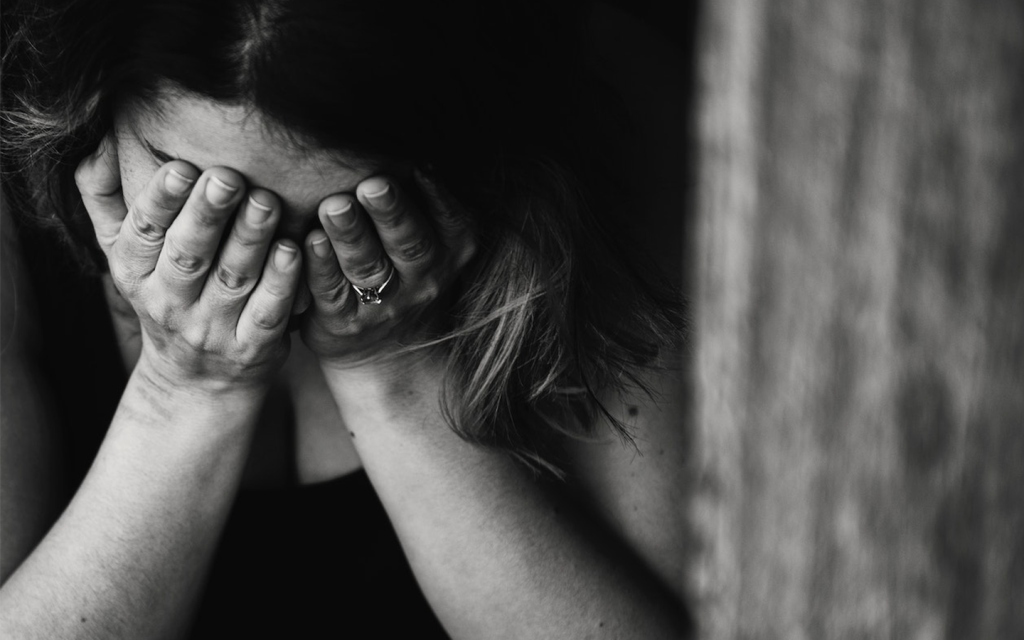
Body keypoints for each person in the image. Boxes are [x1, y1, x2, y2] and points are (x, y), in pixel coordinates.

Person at [0, 0, 691, 637]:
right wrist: (183, 391)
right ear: (92, 104)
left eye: (348, 214)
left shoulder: (604, 110)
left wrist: (393, 371)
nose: (269, 268)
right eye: (202, 194)